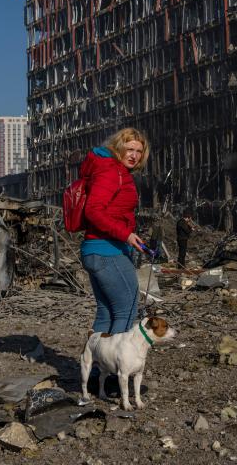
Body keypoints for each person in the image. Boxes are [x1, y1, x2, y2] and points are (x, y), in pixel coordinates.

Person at [80, 127, 149, 335]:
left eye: (139, 151)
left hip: (97, 250)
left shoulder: (109, 169)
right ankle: (115, 367)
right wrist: (126, 234)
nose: (134, 155)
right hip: (108, 250)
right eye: (129, 149)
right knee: (126, 311)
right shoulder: (111, 171)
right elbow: (93, 210)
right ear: (118, 148)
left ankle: (93, 367)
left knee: (106, 313)